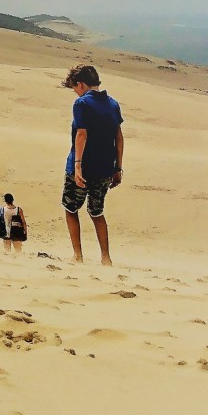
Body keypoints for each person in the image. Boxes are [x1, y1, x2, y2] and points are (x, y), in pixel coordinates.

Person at [61, 63, 123, 265]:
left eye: (74, 87)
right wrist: (118, 167)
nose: (75, 92)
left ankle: (77, 256)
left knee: (71, 209)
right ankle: (106, 258)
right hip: (105, 169)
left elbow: (81, 134)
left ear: (80, 84)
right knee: (97, 212)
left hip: (82, 169)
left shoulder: (82, 104)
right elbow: (119, 137)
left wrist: (77, 166)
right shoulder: (113, 104)